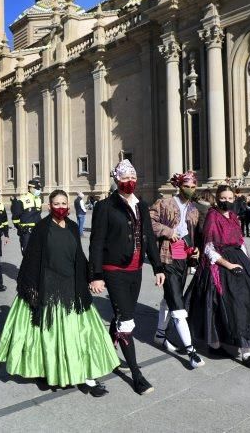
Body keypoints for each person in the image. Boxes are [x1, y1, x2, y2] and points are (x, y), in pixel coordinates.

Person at [0, 190, 119, 397]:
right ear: (49, 205)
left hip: (72, 287)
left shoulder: (71, 226)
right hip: (48, 287)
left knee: (81, 334)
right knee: (48, 336)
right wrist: (31, 290)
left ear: (68, 204)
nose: (60, 207)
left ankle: (87, 377)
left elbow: (79, 256)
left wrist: (92, 277)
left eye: (64, 203)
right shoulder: (42, 229)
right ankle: (47, 372)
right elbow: (32, 260)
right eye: (56, 203)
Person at [88, 159, 165, 395]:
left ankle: (101, 356)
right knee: (127, 321)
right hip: (114, 270)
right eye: (125, 179)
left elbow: (149, 238)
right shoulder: (105, 206)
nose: (130, 183)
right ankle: (137, 375)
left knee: (122, 317)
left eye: (133, 179)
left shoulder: (141, 205)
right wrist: (96, 275)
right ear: (116, 180)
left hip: (135, 270)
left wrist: (158, 266)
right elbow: (96, 242)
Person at [186, 185, 250, 369]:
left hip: (240, 265)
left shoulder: (233, 217)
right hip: (221, 267)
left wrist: (246, 261)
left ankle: (246, 350)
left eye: (230, 198)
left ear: (235, 199)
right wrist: (229, 265)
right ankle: (217, 344)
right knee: (223, 307)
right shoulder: (212, 216)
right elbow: (209, 248)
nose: (226, 201)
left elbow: (240, 241)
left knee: (245, 306)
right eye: (223, 198)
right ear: (217, 198)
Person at [149, 172, 205, 368]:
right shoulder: (164, 203)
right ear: (180, 185)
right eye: (188, 185)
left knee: (171, 297)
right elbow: (150, 222)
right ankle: (191, 351)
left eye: (194, 185)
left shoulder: (193, 209)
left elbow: (193, 234)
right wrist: (169, 231)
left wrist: (195, 250)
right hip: (167, 257)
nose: (191, 188)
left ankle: (160, 334)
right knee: (178, 304)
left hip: (183, 257)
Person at [11, 179, 43, 255]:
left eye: (39, 189)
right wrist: (20, 227)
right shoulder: (22, 200)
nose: (39, 190)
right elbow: (15, 217)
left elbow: (38, 215)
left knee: (37, 254)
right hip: (26, 233)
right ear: (31, 188)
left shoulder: (38, 200)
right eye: (37, 188)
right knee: (27, 254)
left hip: (37, 231)